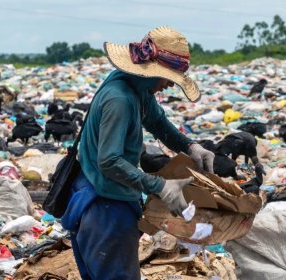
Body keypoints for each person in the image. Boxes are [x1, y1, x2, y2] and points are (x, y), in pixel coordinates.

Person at [60, 26, 215, 279]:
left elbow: (159, 124)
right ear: (151, 72)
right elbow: (109, 161)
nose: (167, 86)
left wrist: (190, 146)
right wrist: (160, 186)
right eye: (167, 79)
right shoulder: (119, 99)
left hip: (102, 197)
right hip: (104, 209)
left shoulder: (137, 88)